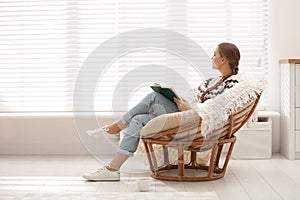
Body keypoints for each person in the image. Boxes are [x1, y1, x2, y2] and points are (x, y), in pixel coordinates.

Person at [82, 42, 241, 181]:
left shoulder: (233, 84)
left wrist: (191, 110)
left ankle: (114, 128)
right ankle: (112, 169)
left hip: (196, 122)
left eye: (214, 54)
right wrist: (182, 102)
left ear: (223, 59)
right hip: (189, 115)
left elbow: (217, 109)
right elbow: (199, 101)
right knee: (138, 120)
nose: (211, 57)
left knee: (153, 97)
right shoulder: (211, 81)